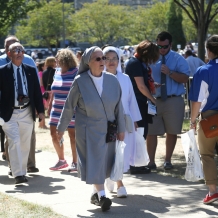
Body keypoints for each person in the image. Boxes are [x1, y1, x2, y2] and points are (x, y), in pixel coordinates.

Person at [57, 46, 125, 211]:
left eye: (104, 58)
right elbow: (68, 107)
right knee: (94, 160)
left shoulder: (112, 80)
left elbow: (119, 108)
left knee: (104, 162)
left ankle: (95, 194)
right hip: (87, 129)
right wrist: (61, 129)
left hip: (109, 128)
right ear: (88, 62)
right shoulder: (80, 81)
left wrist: (121, 128)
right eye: (98, 59)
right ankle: (102, 196)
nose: (103, 61)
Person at [0, 42, 44, 184]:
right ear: (9, 54)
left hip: (26, 111)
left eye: (21, 50)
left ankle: (21, 170)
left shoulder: (31, 70)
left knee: (25, 144)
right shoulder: (2, 71)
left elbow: (37, 92)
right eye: (15, 50)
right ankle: (18, 174)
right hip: (9, 113)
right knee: (14, 141)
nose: (19, 52)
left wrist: (41, 111)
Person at [103, 46, 142, 197]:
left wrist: (135, 120)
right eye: (108, 58)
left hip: (124, 121)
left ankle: (118, 180)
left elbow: (131, 100)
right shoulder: (99, 78)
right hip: (106, 121)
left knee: (121, 151)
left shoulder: (125, 79)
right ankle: (115, 179)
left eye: (114, 58)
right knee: (109, 151)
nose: (111, 62)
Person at [147, 31, 190, 170]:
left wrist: (170, 73)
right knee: (151, 131)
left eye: (164, 46)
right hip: (154, 100)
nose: (162, 49)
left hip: (173, 99)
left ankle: (167, 160)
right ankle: (151, 162)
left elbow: (185, 79)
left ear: (170, 44)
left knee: (172, 131)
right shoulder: (150, 58)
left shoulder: (178, 59)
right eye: (159, 46)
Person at [189, 35, 218, 204]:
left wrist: (192, 121)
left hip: (210, 119)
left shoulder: (203, 71)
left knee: (207, 155)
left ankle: (213, 191)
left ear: (208, 50)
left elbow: (197, 100)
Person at [125, 40, 159, 172]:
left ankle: (136, 163)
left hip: (140, 102)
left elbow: (142, 83)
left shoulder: (139, 63)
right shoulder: (135, 63)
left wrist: (151, 85)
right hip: (137, 102)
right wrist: (152, 98)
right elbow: (140, 85)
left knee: (141, 133)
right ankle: (134, 165)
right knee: (139, 133)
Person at [48, 49, 78, 172]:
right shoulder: (57, 72)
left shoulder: (75, 72)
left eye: (58, 58)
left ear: (65, 59)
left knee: (73, 136)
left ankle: (76, 162)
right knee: (54, 134)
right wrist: (50, 106)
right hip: (56, 109)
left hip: (71, 110)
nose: (56, 60)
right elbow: (54, 91)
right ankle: (61, 160)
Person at [37, 61, 48, 129]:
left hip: (40, 90)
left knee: (41, 108)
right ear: (42, 67)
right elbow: (41, 84)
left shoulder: (39, 73)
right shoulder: (41, 73)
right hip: (42, 90)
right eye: (45, 65)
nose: (46, 66)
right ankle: (42, 124)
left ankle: (41, 124)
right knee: (42, 108)